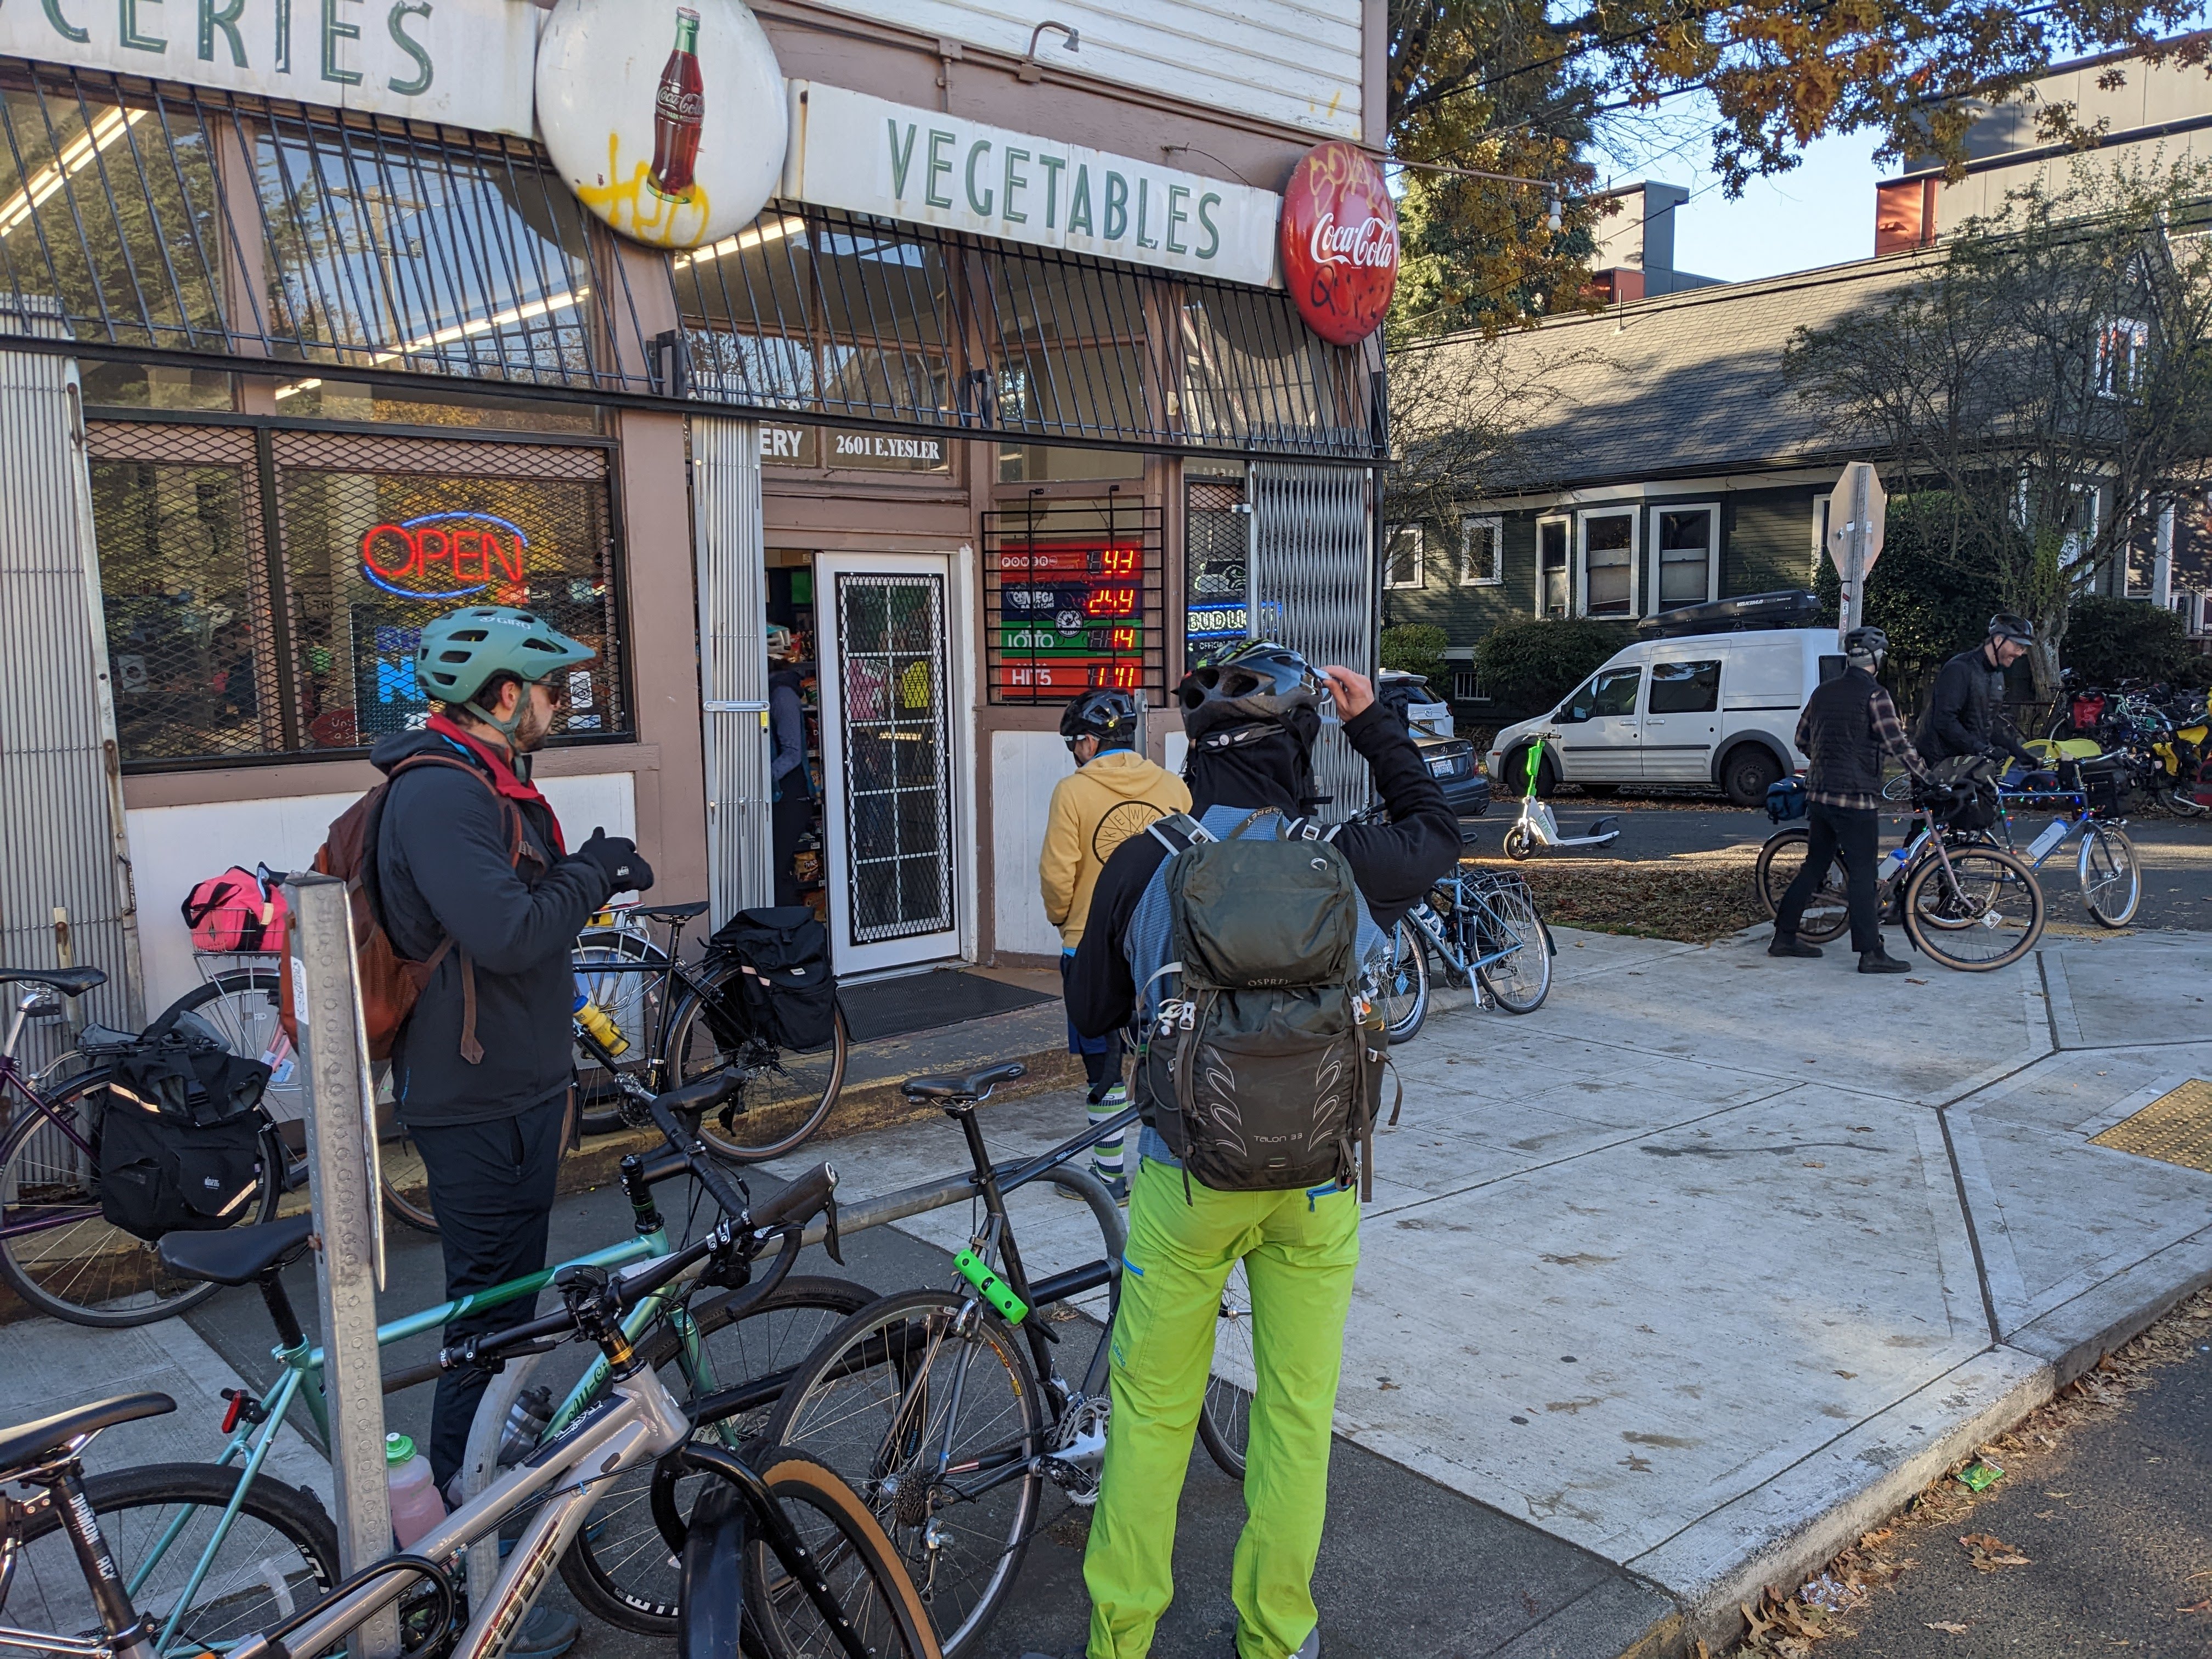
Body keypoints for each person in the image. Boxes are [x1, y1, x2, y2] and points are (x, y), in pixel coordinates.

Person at [1060, 642, 1459, 1659]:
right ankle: (1276, 1634)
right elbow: (1439, 829)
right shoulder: (1350, 855)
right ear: (1303, 743)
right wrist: (1377, 722)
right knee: (1294, 1411)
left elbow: (1097, 1011)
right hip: (1319, 1179)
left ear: (1195, 745)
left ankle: (1121, 1635)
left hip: (1184, 1174)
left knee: (1151, 1410)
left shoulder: (1147, 854)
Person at [376, 606, 653, 1659]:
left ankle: (466, 1519)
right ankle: (452, 1574)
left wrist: (571, 870)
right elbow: (505, 930)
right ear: (502, 695)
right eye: (550, 690)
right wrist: (596, 872)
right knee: (484, 1327)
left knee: (506, 1316)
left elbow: (520, 912)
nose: (560, 705)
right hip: (477, 1098)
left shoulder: (487, 782)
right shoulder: (442, 791)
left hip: (519, 1086)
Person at [1038, 688, 1190, 1201]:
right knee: (1163, 1051)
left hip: (1091, 945)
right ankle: (1164, 1169)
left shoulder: (1073, 792)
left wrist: (1066, 920)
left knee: (1102, 1063)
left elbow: (1059, 874)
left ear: (1088, 742)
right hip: (1159, 943)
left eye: (1073, 743)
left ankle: (1108, 1177)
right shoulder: (1173, 787)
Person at [1772, 625, 1928, 974]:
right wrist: (1929, 777)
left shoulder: (1823, 692)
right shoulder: (1876, 696)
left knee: (1815, 866)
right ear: (1875, 658)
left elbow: (1801, 738)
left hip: (1820, 795)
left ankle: (1783, 937)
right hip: (1856, 798)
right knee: (1862, 874)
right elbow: (1897, 746)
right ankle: (1871, 952)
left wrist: (1829, 757)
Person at [1916, 613, 2040, 769]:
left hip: (1970, 760)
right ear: (1998, 640)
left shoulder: (1997, 676)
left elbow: (1991, 722)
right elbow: (1944, 721)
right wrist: (1981, 749)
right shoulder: (1960, 669)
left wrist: (2021, 754)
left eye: (2023, 649)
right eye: (2018, 646)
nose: (2020, 653)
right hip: (1938, 760)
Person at [768, 625, 815, 906]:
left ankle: (790, 936)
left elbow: (793, 753)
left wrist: (760, 780)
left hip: (789, 796)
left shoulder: (782, 695)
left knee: (776, 870)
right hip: (779, 795)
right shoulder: (773, 691)